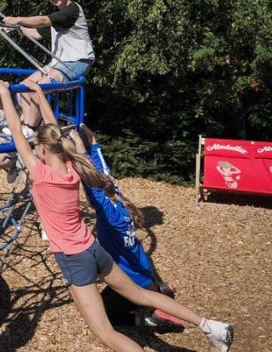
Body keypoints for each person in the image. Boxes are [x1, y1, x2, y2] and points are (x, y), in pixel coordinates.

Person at [0, 79, 234, 352]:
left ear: (42, 150)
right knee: (141, 294)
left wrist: (5, 94)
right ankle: (211, 326)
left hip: (75, 260)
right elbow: (51, 131)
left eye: (36, 146)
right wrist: (41, 96)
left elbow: (17, 130)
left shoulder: (40, 173)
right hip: (94, 249)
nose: (33, 148)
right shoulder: (73, 168)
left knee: (105, 332)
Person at [21, 79, 182, 330]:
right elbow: (95, 166)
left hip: (113, 270)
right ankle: (161, 292)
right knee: (131, 284)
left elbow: (91, 168)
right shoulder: (120, 205)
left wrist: (86, 146)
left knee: (107, 316)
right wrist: (88, 147)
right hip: (132, 268)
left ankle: (148, 317)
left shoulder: (106, 210)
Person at [2, 0, 94, 128]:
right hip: (59, 63)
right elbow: (36, 34)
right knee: (23, 88)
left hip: (76, 63)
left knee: (38, 89)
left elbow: (44, 21)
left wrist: (19, 19)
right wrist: (17, 28)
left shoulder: (72, 10)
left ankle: (30, 128)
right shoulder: (57, 19)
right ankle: (29, 123)